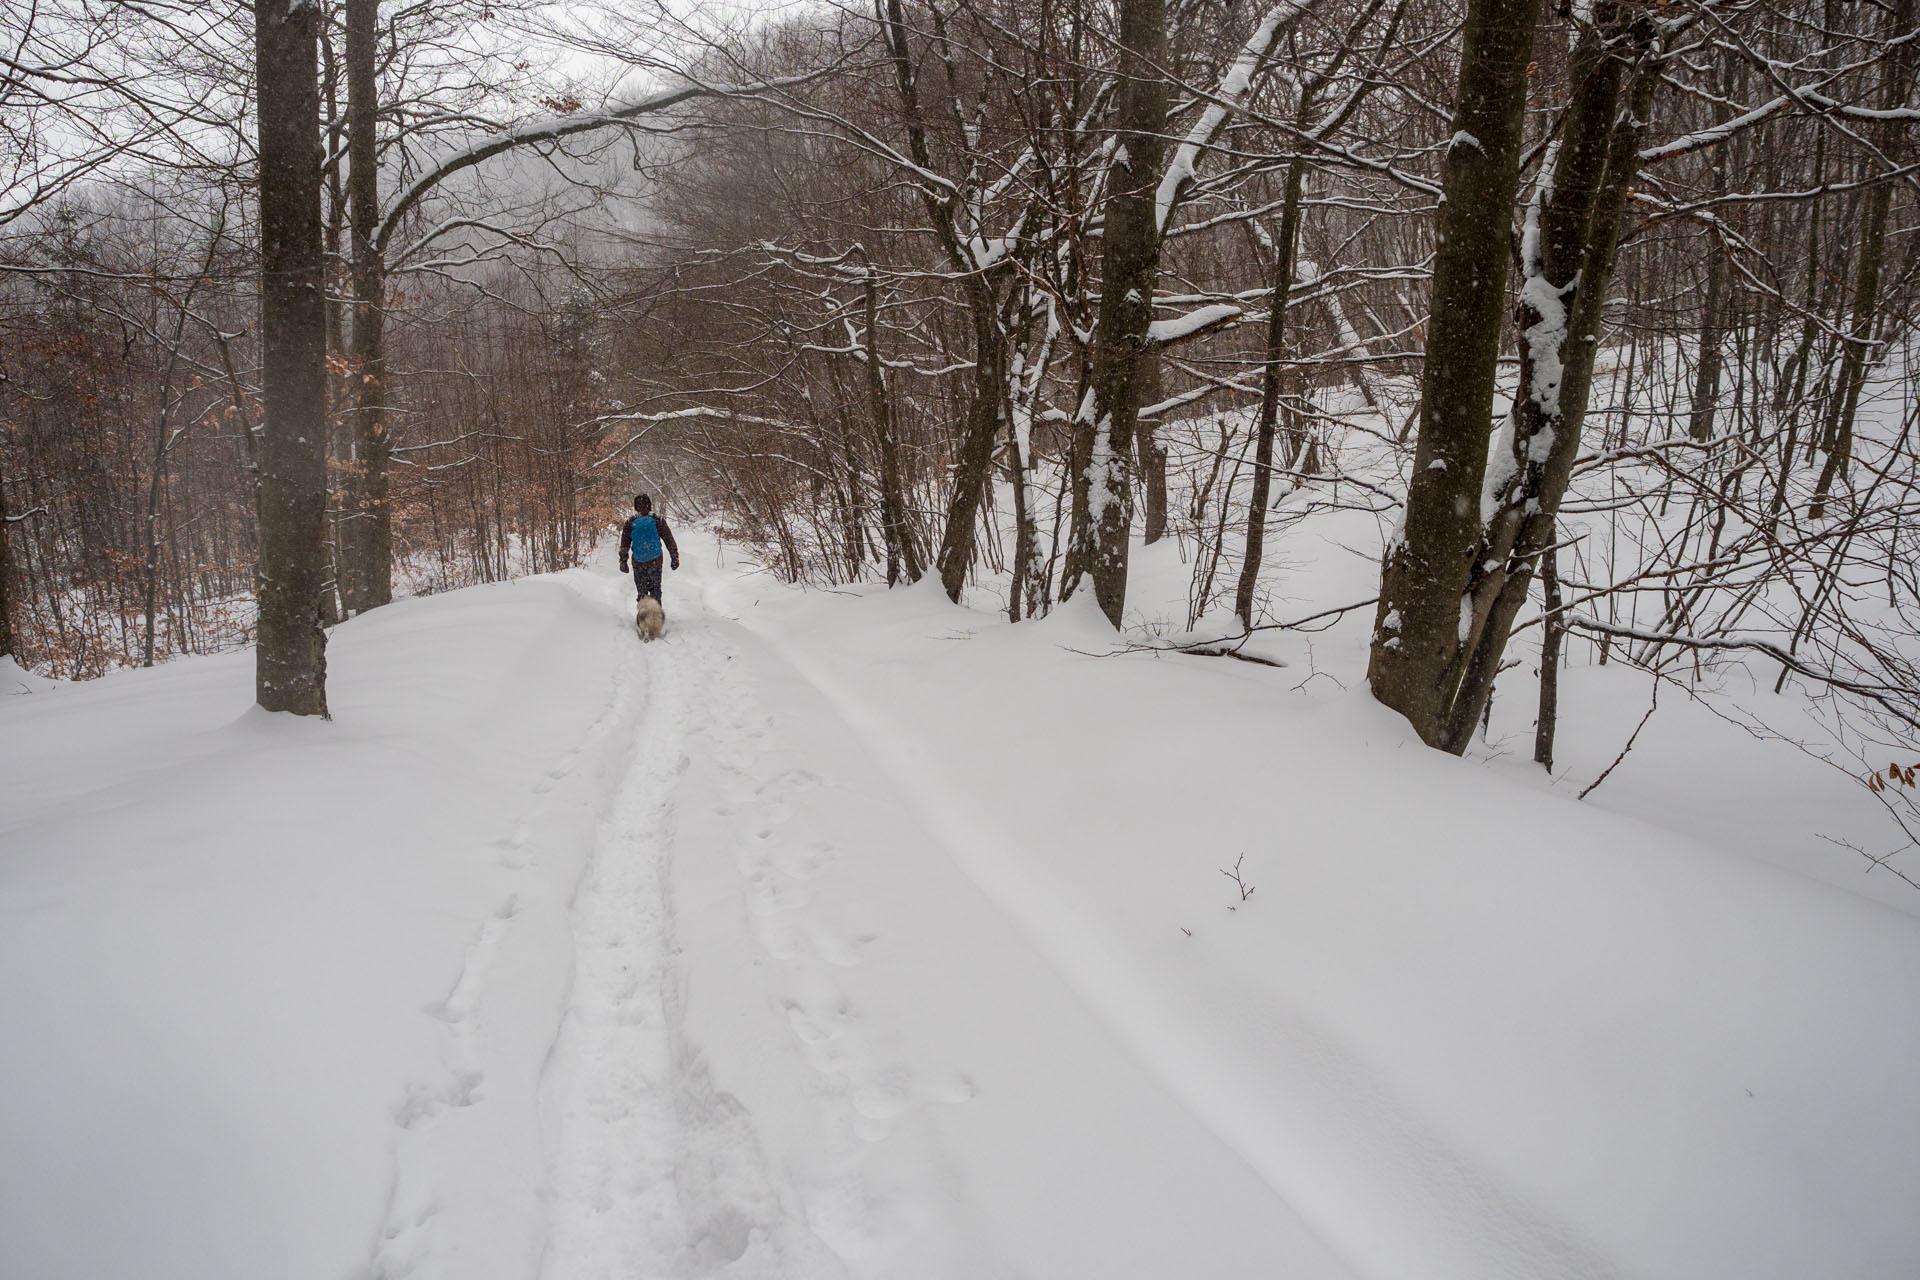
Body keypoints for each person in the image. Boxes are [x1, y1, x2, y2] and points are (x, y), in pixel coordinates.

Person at [618, 493, 680, 602]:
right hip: (655, 560)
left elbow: (624, 544)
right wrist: (674, 557)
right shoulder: (657, 520)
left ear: (636, 507)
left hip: (638, 562)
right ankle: (656, 616)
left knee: (642, 592)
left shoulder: (630, 522)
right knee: (655, 590)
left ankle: (643, 616)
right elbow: (668, 539)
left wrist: (623, 560)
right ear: (649, 505)